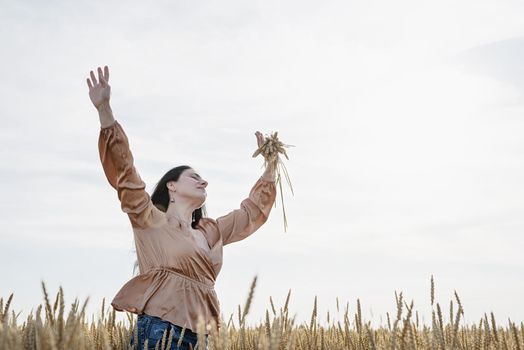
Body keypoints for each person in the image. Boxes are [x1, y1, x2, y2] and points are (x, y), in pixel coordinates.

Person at [86, 66, 277, 349]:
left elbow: (251, 214)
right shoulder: (150, 219)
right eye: (194, 177)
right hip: (160, 331)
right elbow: (125, 171)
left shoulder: (211, 230)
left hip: (200, 338)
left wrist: (271, 164)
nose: (204, 181)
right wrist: (105, 110)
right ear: (171, 186)